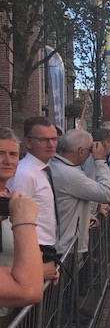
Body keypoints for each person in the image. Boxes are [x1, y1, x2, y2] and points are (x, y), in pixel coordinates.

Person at [7, 117, 59, 278]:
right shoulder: (25, 173)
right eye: (44, 140)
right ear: (28, 142)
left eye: (54, 139)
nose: (51, 144)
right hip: (34, 251)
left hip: (46, 249)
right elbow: (15, 218)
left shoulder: (43, 169)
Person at [49, 129, 110, 256]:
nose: (92, 154)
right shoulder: (70, 174)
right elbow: (106, 194)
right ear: (81, 151)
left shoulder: (57, 165)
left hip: (61, 242)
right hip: (66, 248)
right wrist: (100, 161)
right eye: (90, 150)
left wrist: (84, 216)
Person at [0, 127, 45, 309]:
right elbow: (28, 291)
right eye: (0, 153)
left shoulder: (9, 196)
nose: (8, 160)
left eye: (13, 154)